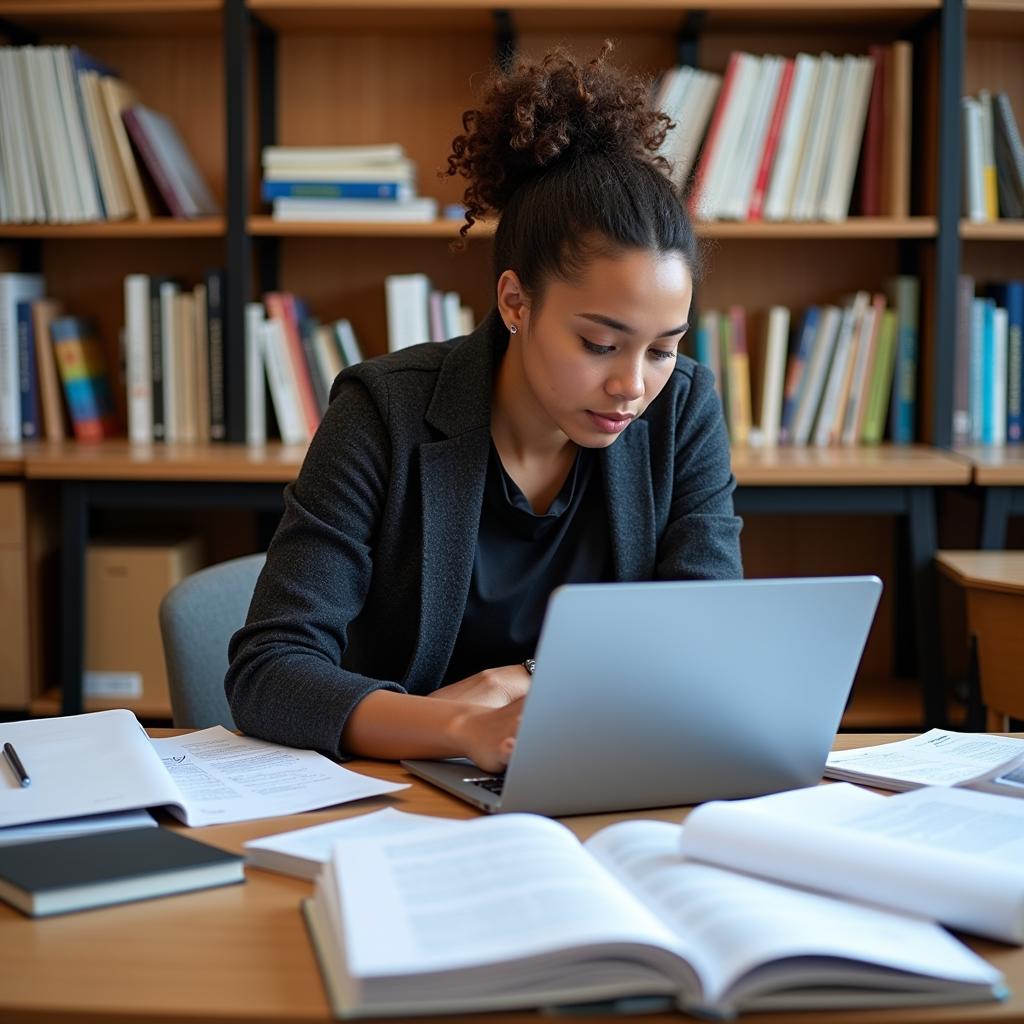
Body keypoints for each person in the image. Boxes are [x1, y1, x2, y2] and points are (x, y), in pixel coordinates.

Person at [225, 44, 743, 773]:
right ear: (515, 302)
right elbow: (269, 671)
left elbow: (710, 638)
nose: (633, 385)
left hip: (600, 780)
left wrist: (534, 683)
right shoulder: (383, 412)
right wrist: (466, 730)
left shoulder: (682, 410)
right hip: (398, 793)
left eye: (661, 349)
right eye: (600, 343)